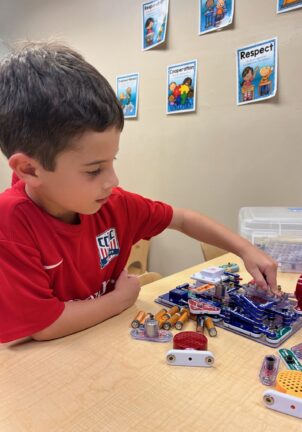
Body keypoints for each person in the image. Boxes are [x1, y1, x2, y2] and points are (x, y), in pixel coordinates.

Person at [0, 42, 278, 344]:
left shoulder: (113, 204)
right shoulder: (11, 222)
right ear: (29, 170)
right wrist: (120, 299)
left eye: (112, 162)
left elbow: (183, 219)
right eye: (94, 170)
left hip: (105, 346)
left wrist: (246, 250)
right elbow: (45, 326)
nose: (113, 180)